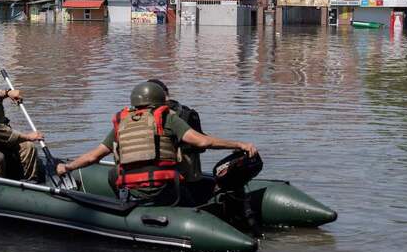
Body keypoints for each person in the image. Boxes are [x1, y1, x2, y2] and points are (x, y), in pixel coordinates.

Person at [56, 81, 257, 206]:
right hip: (165, 190)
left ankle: (125, 207)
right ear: (161, 100)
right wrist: (239, 144)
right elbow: (203, 141)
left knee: (113, 173)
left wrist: (68, 166)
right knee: (188, 191)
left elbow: (94, 156)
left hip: (133, 191)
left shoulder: (122, 122)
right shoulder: (167, 118)